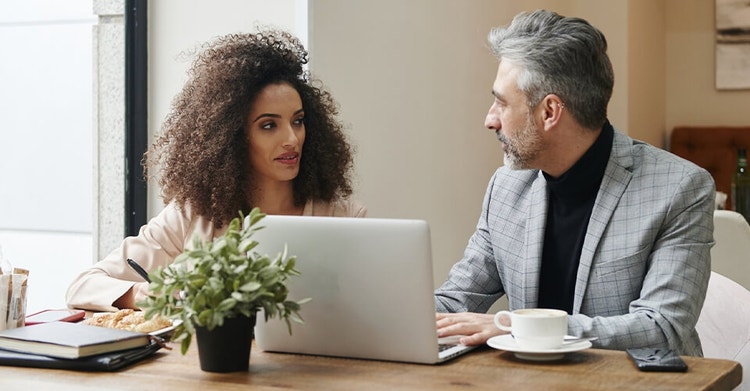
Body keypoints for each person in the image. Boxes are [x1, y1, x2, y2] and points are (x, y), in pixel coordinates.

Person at [434, 10, 714, 356]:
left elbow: (662, 327)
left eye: (501, 102)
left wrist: (515, 326)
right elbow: (456, 300)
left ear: (550, 112)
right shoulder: (505, 187)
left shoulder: (680, 189)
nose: (490, 120)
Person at [67, 29, 366, 312]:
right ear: (232, 137)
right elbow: (82, 287)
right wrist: (158, 293)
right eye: (269, 125)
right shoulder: (191, 218)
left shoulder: (344, 218)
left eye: (298, 121)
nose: (291, 139)